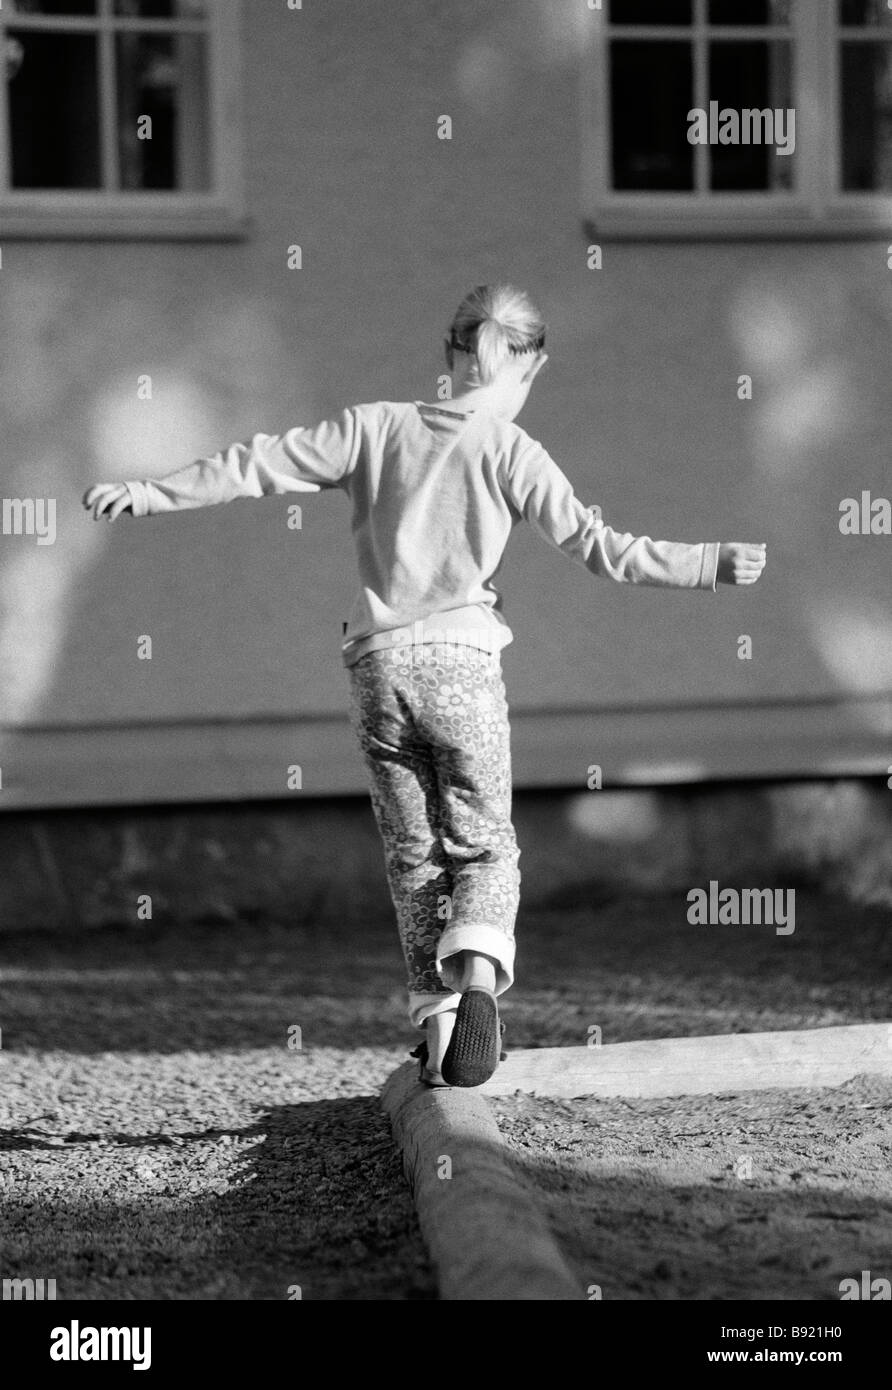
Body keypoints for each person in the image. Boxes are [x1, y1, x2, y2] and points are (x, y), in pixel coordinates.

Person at [83, 283, 767, 1087]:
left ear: (450, 355)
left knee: (414, 855)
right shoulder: (512, 451)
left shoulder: (374, 427)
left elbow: (258, 463)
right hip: (462, 668)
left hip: (379, 671)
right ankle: (479, 983)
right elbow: (599, 548)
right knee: (485, 842)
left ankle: (440, 1031)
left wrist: (149, 491)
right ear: (531, 365)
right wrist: (708, 564)